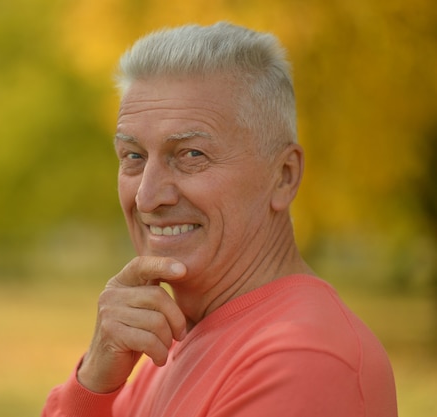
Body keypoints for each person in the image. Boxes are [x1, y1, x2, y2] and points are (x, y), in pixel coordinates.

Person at [42, 22, 397, 417]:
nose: (147, 195)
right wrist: (92, 384)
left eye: (191, 155)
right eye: (133, 157)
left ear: (284, 176)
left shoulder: (303, 359)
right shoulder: (169, 341)